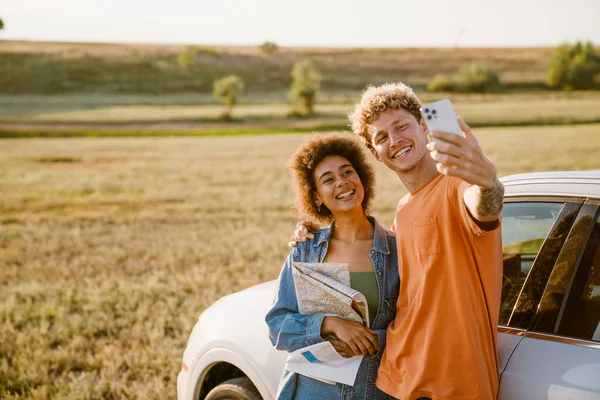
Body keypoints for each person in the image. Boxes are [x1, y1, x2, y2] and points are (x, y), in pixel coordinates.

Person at [290, 83, 504, 400]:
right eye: (382, 138)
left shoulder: (457, 185)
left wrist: (488, 182)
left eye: (401, 126)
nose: (395, 141)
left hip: (455, 385)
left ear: (423, 125)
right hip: (394, 377)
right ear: (376, 154)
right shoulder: (402, 210)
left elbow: (484, 206)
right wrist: (312, 234)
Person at [265, 132, 400, 400]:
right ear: (316, 197)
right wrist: (329, 324)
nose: (342, 182)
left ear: (361, 178)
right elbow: (277, 326)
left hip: (376, 391)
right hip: (311, 392)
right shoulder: (306, 249)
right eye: (329, 179)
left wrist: (374, 340)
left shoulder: (398, 251)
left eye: (347, 172)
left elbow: (420, 326)